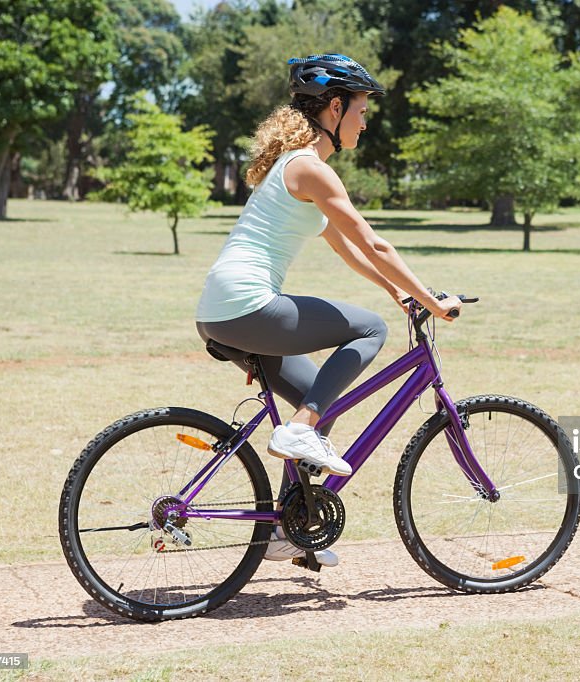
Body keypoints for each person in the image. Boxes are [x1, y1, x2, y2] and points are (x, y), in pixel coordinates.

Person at [195, 54, 461, 566]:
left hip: (221, 309)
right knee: (368, 330)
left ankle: (287, 530)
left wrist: (399, 293)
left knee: (323, 405)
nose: (365, 121)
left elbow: (349, 250)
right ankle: (299, 429)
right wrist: (432, 301)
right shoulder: (309, 169)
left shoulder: (292, 169)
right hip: (248, 307)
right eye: (362, 110)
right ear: (334, 109)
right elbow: (375, 243)